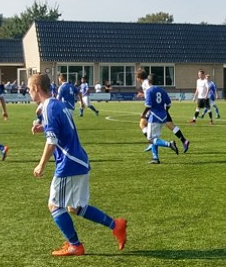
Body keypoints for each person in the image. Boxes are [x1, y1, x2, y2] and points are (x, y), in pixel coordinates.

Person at [28, 73, 128, 256]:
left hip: (69, 163)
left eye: (29, 89)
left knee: (55, 206)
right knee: (75, 207)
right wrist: (42, 127)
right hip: (79, 159)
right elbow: (64, 126)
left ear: (36, 88)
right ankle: (116, 225)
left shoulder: (49, 107)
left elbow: (51, 142)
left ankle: (75, 245)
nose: (28, 93)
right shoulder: (58, 104)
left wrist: (41, 164)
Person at [136, 69, 190, 153]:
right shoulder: (147, 82)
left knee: (142, 124)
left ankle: (152, 142)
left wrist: (144, 112)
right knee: (170, 125)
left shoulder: (145, 84)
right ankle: (184, 141)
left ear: (139, 78)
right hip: (162, 108)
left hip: (155, 108)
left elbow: (151, 94)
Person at [141, 73, 181, 164]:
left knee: (150, 139)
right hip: (163, 116)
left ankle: (169, 144)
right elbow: (169, 104)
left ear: (149, 81)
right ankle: (155, 158)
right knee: (155, 138)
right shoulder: (162, 91)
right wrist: (164, 111)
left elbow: (148, 105)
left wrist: (143, 114)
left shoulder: (149, 91)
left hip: (154, 116)